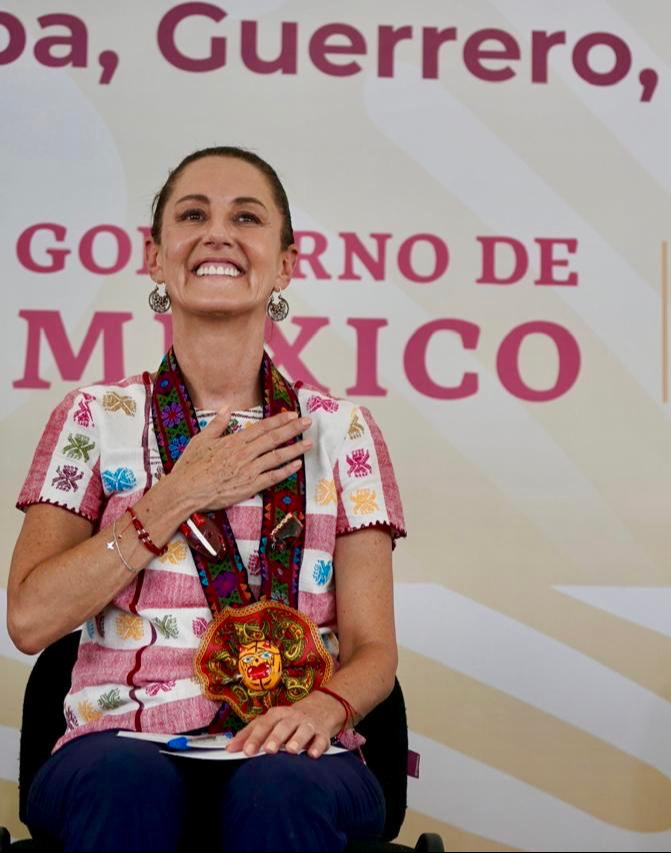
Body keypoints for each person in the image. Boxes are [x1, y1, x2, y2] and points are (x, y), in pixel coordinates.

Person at [7, 146, 406, 851]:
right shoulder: (94, 418)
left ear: (285, 263)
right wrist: (179, 494)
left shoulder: (342, 431)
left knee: (278, 784)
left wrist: (322, 707)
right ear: (156, 257)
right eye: (193, 215)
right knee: (126, 780)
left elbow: (374, 650)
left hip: (297, 747)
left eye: (245, 217)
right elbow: (31, 619)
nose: (217, 233)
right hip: (119, 738)